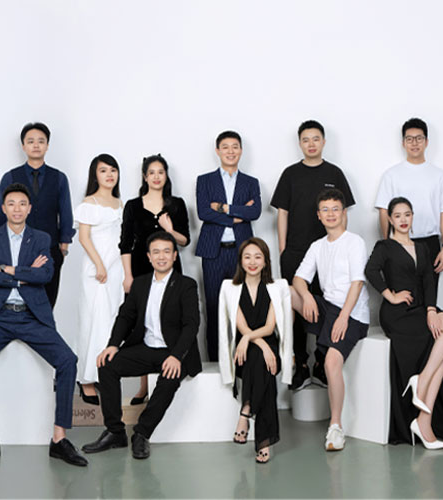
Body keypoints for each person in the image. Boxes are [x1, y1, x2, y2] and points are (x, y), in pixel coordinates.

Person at [0, 184, 86, 467]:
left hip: (32, 315)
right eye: (11, 203)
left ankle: (59, 439)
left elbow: (45, 275)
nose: (17, 208)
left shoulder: (41, 238)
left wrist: (8, 270)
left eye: (22, 203)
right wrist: (25, 274)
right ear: (3, 208)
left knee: (68, 360)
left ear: (30, 208)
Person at [81, 232, 203, 460]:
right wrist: (113, 345)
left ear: (174, 256)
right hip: (146, 348)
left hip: (174, 351)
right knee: (107, 365)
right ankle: (115, 432)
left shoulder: (186, 285)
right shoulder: (140, 283)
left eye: (166, 251)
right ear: (148, 257)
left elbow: (191, 324)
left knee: (168, 379)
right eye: (156, 252)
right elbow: (125, 317)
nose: (161, 256)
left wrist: (177, 356)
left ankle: (142, 433)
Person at [368, 197, 443, 449]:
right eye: (397, 215)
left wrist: (432, 310)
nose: (403, 220)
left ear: (412, 217)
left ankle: (423, 420)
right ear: (390, 219)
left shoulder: (422, 248)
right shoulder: (384, 246)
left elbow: (428, 282)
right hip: (397, 314)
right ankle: (421, 388)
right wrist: (390, 295)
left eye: (407, 214)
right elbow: (370, 271)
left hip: (421, 309)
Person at [273, 120, 354, 389]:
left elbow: (343, 212)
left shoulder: (334, 173)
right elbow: (282, 213)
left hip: (328, 251)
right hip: (295, 251)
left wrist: (341, 246)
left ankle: (321, 361)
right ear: (300, 143)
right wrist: (283, 249)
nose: (311, 144)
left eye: (316, 139)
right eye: (306, 139)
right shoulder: (290, 174)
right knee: (294, 307)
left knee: (327, 304)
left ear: (323, 142)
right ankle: (300, 363)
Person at [293, 190, 371, 452]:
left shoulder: (354, 242)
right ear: (318, 215)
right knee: (286, 291)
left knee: (331, 362)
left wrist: (344, 318)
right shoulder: (317, 246)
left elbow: (357, 283)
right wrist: (307, 296)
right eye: (325, 209)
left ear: (344, 213)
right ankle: (291, 357)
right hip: (327, 308)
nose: (330, 214)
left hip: (352, 312)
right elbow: (298, 279)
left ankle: (335, 426)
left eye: (335, 209)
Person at [119, 154, 190, 404]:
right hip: (140, 270)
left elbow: (185, 240)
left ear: (166, 175)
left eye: (161, 172)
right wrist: (128, 276)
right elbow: (125, 244)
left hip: (170, 269)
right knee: (141, 325)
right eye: (152, 172)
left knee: (170, 320)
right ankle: (143, 385)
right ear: (145, 176)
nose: (157, 177)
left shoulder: (177, 204)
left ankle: (167, 376)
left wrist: (169, 230)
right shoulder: (133, 205)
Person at [217, 237, 293, 464]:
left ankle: (246, 411)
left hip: (265, 343)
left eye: (258, 257)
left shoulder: (276, 287)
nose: (252, 262)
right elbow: (241, 326)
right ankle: (263, 441)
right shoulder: (231, 288)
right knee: (260, 362)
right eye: (247, 257)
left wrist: (255, 341)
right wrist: (254, 342)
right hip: (244, 349)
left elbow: (270, 327)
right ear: (241, 261)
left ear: (266, 261)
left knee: (260, 359)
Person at [197, 131, 263, 363]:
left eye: (235, 146)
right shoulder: (204, 180)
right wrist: (237, 216)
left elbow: (255, 212)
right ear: (218, 151)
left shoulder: (251, 182)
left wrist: (224, 208)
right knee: (214, 307)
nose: (230, 151)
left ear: (241, 150)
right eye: (225, 147)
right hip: (213, 253)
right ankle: (217, 362)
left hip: (242, 253)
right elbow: (203, 212)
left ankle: (243, 361)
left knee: (244, 306)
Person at [0, 122, 76, 303]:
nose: (36, 145)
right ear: (23, 146)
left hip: (50, 248)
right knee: (19, 301)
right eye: (31, 141)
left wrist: (63, 248)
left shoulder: (59, 177)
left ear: (47, 145)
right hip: (17, 248)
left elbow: (65, 212)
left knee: (47, 301)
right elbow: (2, 215)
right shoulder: (10, 177)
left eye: (41, 141)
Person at [74, 155, 128, 404]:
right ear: (94, 175)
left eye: (113, 170)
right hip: (97, 271)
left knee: (111, 322)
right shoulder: (89, 202)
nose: (109, 175)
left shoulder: (120, 203)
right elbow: (84, 238)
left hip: (116, 270)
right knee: (92, 320)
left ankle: (104, 374)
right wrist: (99, 265)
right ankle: (86, 379)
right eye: (103, 170)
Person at [374, 118, 443, 275]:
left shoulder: (439, 176)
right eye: (409, 139)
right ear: (403, 143)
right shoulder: (391, 175)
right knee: (399, 289)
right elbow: (384, 211)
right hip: (399, 242)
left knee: (429, 289)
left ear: (426, 142)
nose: (414, 143)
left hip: (430, 242)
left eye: (419, 138)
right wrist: (388, 244)